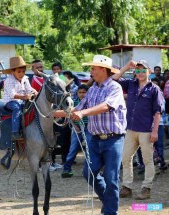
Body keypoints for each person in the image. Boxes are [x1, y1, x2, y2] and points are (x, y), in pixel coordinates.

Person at [56, 55, 127, 215]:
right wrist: (50, 114)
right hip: (94, 139)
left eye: (93, 68)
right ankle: (108, 204)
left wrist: (83, 113)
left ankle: (110, 211)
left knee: (111, 178)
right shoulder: (93, 89)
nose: (91, 71)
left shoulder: (115, 88)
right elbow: (76, 110)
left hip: (113, 139)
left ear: (103, 70)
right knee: (89, 173)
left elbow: (106, 106)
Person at [113, 60, 163, 200]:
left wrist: (154, 131)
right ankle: (127, 187)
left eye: (143, 70)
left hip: (146, 130)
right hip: (130, 129)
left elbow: (157, 112)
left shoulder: (154, 89)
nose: (140, 73)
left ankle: (146, 188)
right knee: (125, 158)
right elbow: (114, 79)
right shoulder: (131, 84)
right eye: (138, 70)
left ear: (149, 72)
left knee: (147, 160)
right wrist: (127, 66)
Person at [2, 56, 37, 140]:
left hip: (23, 100)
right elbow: (12, 95)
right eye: (19, 71)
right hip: (10, 101)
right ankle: (15, 132)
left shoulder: (25, 78)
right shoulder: (9, 80)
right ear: (12, 71)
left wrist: (34, 92)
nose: (21, 74)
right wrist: (25, 97)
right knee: (17, 108)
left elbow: (29, 89)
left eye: (23, 71)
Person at [61, 84, 92, 178]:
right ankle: (66, 169)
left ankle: (88, 170)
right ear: (77, 93)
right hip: (77, 128)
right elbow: (70, 116)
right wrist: (75, 126)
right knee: (73, 149)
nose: (82, 94)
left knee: (89, 150)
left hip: (89, 128)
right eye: (80, 92)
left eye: (84, 92)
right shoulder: (74, 102)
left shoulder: (91, 102)